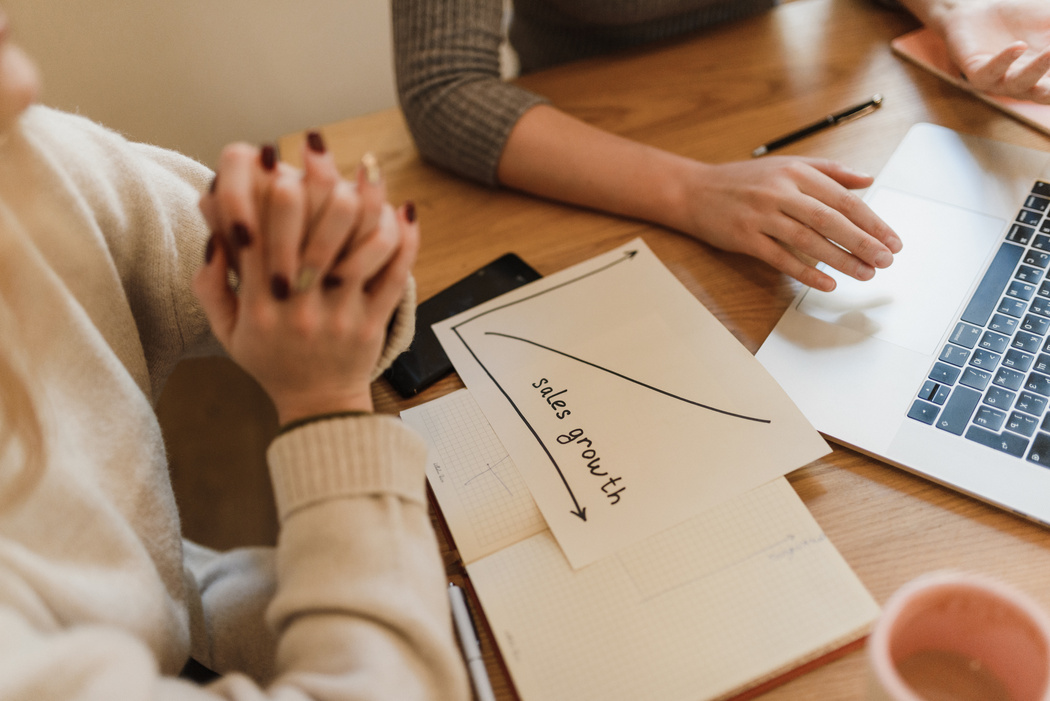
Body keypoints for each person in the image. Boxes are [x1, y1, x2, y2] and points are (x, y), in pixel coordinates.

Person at [0, 8, 469, 699]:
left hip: (187, 616)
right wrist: (325, 406)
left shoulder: (27, 158)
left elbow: (254, 268)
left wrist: (337, 258)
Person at [393, 0, 1050, 293]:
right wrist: (691, 190)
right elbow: (444, 90)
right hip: (585, 151)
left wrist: (955, 9)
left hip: (772, 103)